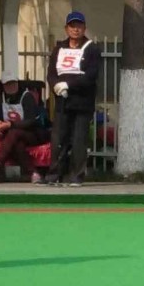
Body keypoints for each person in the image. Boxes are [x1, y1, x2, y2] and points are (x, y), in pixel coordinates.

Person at [47, 10, 102, 186]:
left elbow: (91, 75)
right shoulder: (59, 48)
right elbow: (51, 72)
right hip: (62, 102)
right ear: (66, 28)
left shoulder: (92, 49)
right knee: (58, 140)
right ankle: (54, 175)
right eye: (72, 26)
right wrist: (56, 86)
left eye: (79, 26)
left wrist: (69, 85)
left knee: (79, 141)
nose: (76, 29)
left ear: (84, 28)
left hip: (82, 103)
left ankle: (76, 176)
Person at [0, 78, 46, 182]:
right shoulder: (0, 97)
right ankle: (34, 173)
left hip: (32, 133)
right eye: (7, 84)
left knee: (14, 132)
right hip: (11, 136)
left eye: (13, 83)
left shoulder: (27, 97)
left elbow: (31, 121)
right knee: (18, 145)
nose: (11, 86)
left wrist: (10, 124)